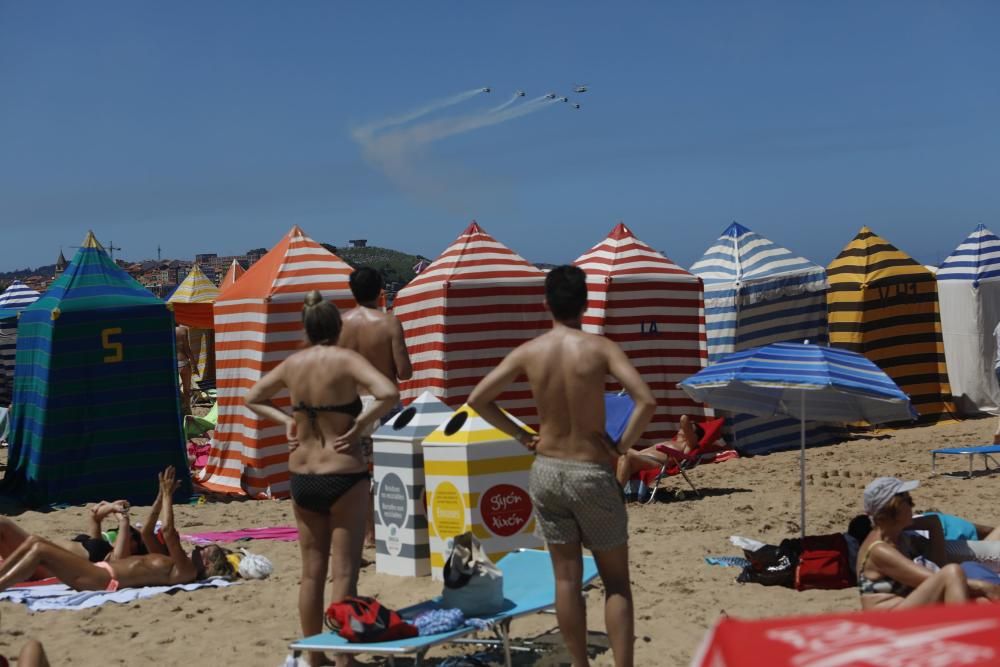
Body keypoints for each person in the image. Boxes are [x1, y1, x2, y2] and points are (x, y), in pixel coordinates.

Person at [468, 265, 655, 667]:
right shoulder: (600, 348)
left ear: (546, 303)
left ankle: (579, 664)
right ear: (585, 304)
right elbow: (646, 400)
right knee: (617, 583)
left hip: (547, 469)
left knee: (566, 580)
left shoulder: (530, 351)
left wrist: (521, 436)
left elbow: (479, 399)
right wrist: (621, 446)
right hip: (590, 470)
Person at [245, 290, 398, 667]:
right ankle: (344, 659)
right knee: (344, 573)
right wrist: (360, 425)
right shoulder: (346, 360)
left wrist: (287, 422)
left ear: (307, 327)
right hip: (343, 472)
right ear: (336, 326)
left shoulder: (293, 363)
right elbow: (389, 392)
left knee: (311, 574)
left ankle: (314, 657)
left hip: (302, 475)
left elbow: (254, 396)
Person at [0, 467, 233, 591]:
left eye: (205, 551)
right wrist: (161, 496)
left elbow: (170, 532)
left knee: (39, 547)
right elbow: (146, 531)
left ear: (208, 565)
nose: (200, 548)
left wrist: (170, 497)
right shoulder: (170, 561)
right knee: (35, 544)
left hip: (101, 578)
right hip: (101, 570)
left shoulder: (186, 572)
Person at [338, 266, 413, 546]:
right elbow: (405, 372)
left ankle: (368, 534)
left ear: (352, 291)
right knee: (392, 471)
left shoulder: (341, 325)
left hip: (353, 406)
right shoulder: (389, 323)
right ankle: (392, 528)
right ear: (381, 290)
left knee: (360, 474)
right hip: (385, 405)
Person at [856, 477, 1000, 609]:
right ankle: (959, 631)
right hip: (887, 617)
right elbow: (938, 577)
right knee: (953, 572)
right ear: (892, 510)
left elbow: (938, 565)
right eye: (907, 501)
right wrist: (984, 586)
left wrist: (933, 524)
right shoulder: (879, 550)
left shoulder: (899, 537)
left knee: (981, 601)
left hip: (906, 603)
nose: (913, 505)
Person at [614, 414, 705, 487]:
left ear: (695, 436)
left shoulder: (688, 445)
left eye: (689, 427)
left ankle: (616, 495)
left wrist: (689, 424)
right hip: (639, 456)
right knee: (611, 449)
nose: (682, 428)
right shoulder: (670, 442)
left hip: (655, 463)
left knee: (625, 456)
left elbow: (684, 418)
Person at [175, 317, 195, 415]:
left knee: (176, 389)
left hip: (174, 364)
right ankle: (188, 410)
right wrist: (194, 364)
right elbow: (187, 349)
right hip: (185, 362)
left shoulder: (166, 331)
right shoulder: (183, 330)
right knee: (187, 389)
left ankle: (180, 410)